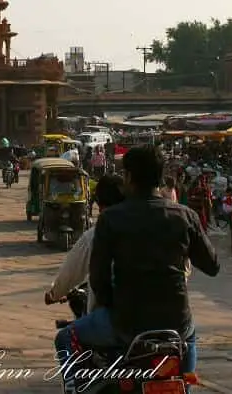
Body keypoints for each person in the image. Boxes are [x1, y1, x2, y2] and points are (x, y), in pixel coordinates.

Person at [54, 146, 219, 390]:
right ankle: (185, 385)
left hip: (125, 323)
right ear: (160, 177)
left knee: (65, 337)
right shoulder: (184, 216)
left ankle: (74, 387)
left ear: (129, 178)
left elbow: (98, 281)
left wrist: (114, 307)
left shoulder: (111, 219)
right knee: (189, 334)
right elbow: (212, 266)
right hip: (176, 322)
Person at [44, 175, 125, 312]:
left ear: (100, 206)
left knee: (65, 334)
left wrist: (54, 294)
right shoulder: (150, 228)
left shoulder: (95, 235)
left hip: (112, 318)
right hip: (156, 314)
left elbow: (69, 273)